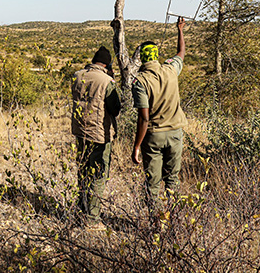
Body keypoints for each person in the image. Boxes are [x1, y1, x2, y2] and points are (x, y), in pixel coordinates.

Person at [131, 17, 187, 204]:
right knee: (173, 180)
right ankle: (174, 220)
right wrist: (180, 30)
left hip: (153, 136)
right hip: (175, 134)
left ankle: (155, 224)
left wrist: (137, 145)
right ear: (155, 55)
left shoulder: (140, 81)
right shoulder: (171, 70)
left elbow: (144, 118)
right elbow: (181, 52)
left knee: (153, 183)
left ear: (141, 58)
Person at [71, 46, 121, 228]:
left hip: (80, 132)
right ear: (107, 64)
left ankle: (80, 210)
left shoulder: (77, 76)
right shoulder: (107, 81)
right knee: (99, 176)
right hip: (99, 134)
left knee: (83, 172)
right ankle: (92, 219)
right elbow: (115, 109)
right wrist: (113, 79)